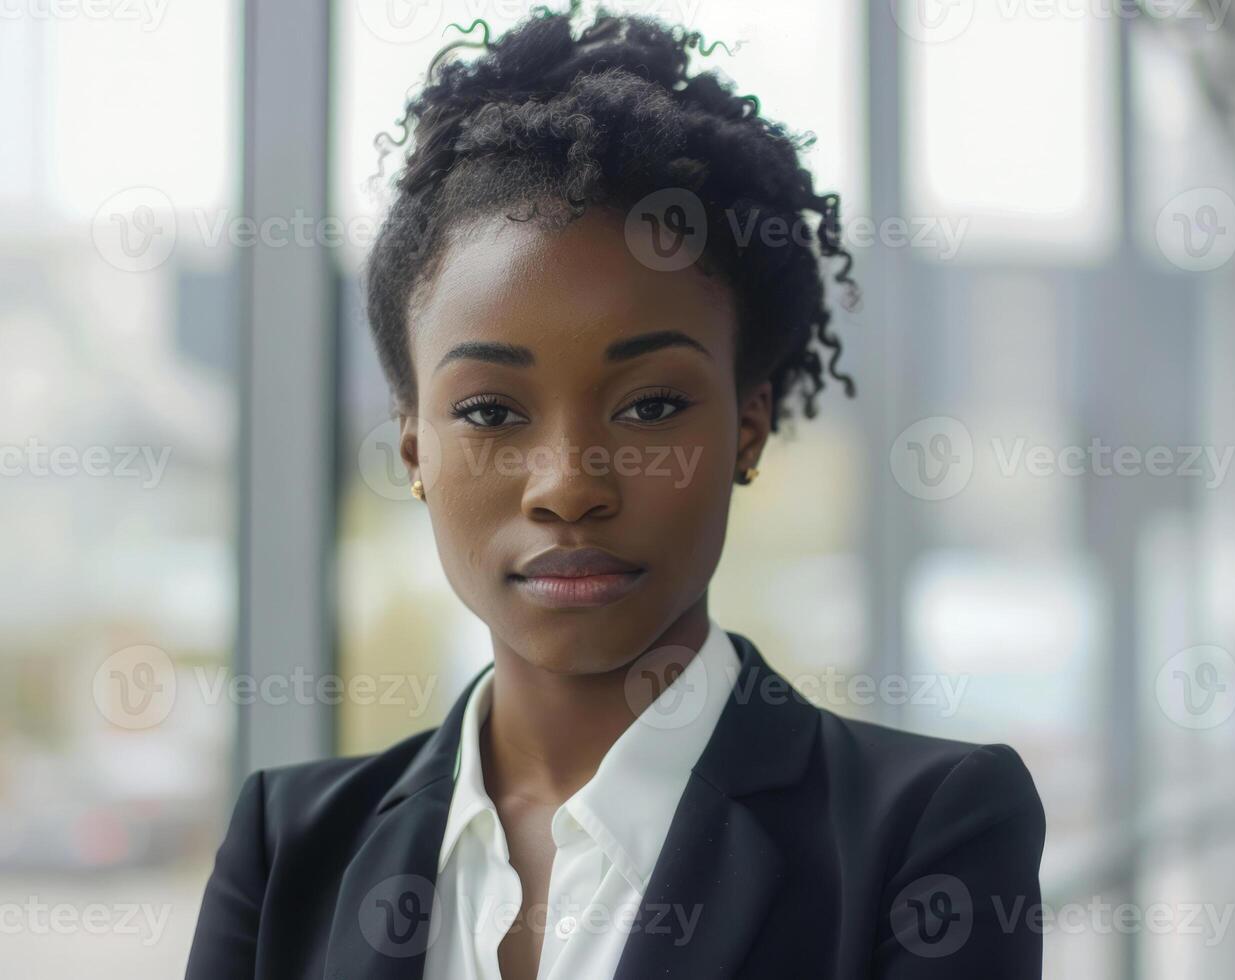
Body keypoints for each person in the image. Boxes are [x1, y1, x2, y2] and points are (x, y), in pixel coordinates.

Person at [184, 4, 1044, 977]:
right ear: (414, 443)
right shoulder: (289, 848)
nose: (568, 485)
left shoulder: (922, 829)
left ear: (746, 425)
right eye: (492, 412)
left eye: (650, 406)